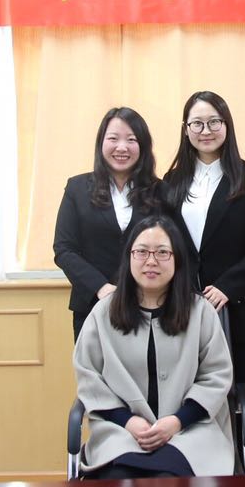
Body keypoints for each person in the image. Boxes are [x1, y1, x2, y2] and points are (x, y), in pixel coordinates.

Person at [162, 90, 245, 471]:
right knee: (193, 402)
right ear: (186, 129)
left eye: (214, 121)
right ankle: (205, 478)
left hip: (244, 312)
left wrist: (228, 287)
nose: (205, 130)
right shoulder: (172, 182)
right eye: (197, 123)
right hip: (187, 313)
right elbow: (167, 244)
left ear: (226, 125)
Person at [73, 215, 235, 479]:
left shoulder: (200, 312)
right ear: (129, 257)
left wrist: (177, 421)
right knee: (119, 483)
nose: (151, 261)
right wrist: (128, 421)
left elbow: (216, 376)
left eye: (162, 252)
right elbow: (89, 377)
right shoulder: (103, 312)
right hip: (122, 433)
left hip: (189, 432)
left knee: (171, 483)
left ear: (177, 259)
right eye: (141, 252)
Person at [54, 107, 159, 342]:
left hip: (148, 306)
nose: (122, 147)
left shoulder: (161, 191)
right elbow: (64, 249)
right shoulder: (77, 188)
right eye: (113, 138)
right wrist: (101, 287)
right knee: (93, 366)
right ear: (101, 142)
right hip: (92, 304)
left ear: (143, 146)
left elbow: (171, 249)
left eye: (131, 140)